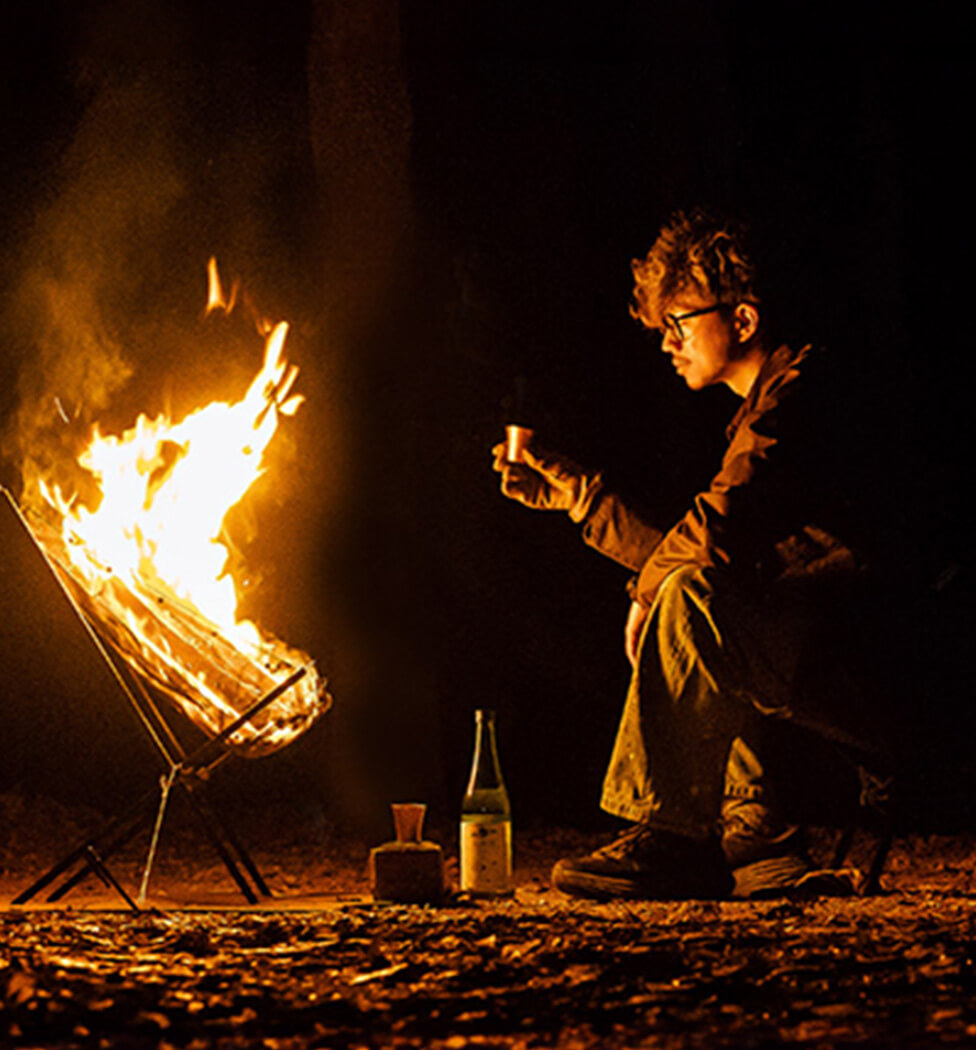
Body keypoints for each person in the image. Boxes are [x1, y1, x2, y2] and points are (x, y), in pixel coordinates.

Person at [492, 208, 917, 901]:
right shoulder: (762, 409)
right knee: (695, 594)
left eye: (679, 323)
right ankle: (754, 834)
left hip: (888, 670)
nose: (666, 343)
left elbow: (717, 533)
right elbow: (704, 548)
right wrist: (582, 498)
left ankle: (677, 839)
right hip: (819, 656)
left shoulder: (801, 399)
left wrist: (645, 592)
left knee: (693, 598)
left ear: (742, 321)